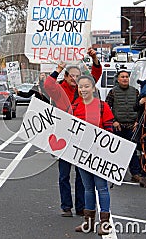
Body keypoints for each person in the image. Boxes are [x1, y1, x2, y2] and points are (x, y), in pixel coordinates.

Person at [44, 47, 102, 217]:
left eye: (78, 76)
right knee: (63, 175)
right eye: (72, 76)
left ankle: (81, 206)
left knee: (81, 175)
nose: (75, 79)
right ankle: (66, 207)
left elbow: (96, 74)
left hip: (81, 137)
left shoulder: (84, 89)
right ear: (66, 77)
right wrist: (59, 68)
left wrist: (94, 57)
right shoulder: (59, 89)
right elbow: (48, 84)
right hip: (64, 136)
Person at [72, 75, 114, 235]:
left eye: (86, 86)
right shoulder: (75, 106)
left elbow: (110, 133)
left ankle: (105, 223)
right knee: (87, 188)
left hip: (99, 154)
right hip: (81, 154)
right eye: (80, 87)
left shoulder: (103, 106)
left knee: (102, 188)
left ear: (93, 88)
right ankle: (88, 222)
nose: (83, 89)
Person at [105, 70, 144, 185]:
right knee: (117, 151)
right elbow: (106, 108)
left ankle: (135, 174)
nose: (125, 79)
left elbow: (140, 108)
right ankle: (116, 173)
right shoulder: (113, 92)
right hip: (118, 127)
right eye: (122, 77)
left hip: (132, 126)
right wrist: (113, 121)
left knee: (132, 151)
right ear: (118, 79)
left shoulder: (135, 92)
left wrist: (137, 122)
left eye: (126, 77)